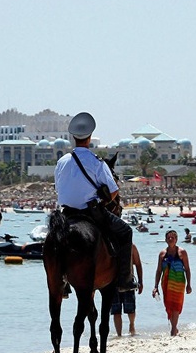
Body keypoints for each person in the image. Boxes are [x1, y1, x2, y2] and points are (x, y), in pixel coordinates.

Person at [54, 112, 137, 292]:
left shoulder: (61, 161)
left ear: (73, 137)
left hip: (66, 212)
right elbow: (114, 191)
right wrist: (100, 199)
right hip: (90, 212)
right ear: (90, 137)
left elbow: (58, 189)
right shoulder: (97, 162)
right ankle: (125, 279)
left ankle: (62, 281)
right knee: (126, 231)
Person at [153, 230, 192, 336]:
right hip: (166, 283)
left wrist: (189, 284)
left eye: (173, 237)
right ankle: (174, 328)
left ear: (176, 239)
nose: (170, 239)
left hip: (179, 283)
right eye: (168, 237)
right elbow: (159, 271)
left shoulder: (182, 252)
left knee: (177, 305)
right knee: (168, 305)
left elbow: (187, 269)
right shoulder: (162, 254)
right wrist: (155, 286)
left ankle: (173, 329)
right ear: (165, 240)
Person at [112, 244, 144, 336]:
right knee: (116, 311)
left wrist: (141, 281)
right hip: (114, 282)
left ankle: (132, 325)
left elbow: (138, 264)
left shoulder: (131, 246)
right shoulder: (111, 245)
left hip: (128, 280)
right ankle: (119, 334)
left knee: (131, 309)